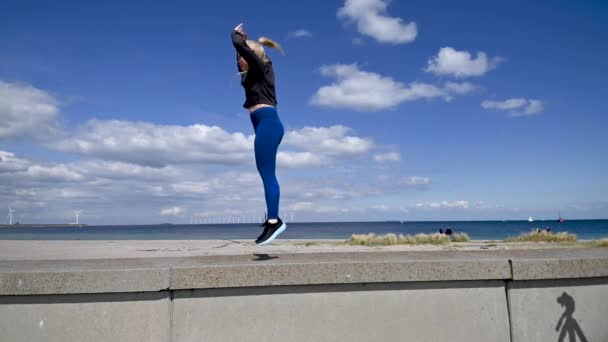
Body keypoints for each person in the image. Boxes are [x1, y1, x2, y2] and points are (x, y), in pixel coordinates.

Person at [231, 23, 286, 245]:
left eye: (242, 55)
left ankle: (274, 221)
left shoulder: (263, 69)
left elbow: (240, 46)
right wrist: (240, 47)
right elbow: (241, 57)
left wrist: (236, 36)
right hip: (264, 125)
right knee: (265, 174)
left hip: (269, 125)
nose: (238, 59)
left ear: (252, 55)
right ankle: (272, 219)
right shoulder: (252, 78)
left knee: (268, 175)